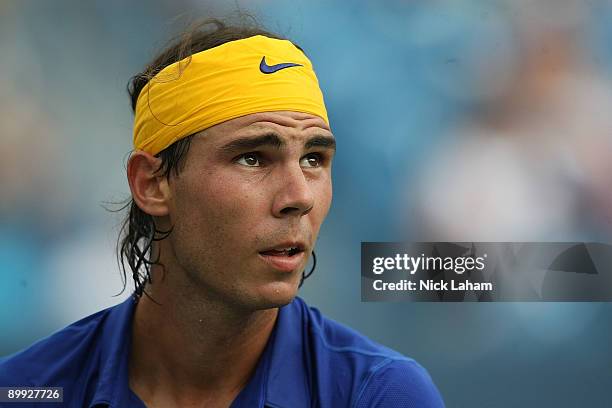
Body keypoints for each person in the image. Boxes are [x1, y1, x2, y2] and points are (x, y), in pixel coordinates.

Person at [0, 19, 445, 407]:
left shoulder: (380, 394)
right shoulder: (25, 389)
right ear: (152, 184)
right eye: (253, 157)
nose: (299, 196)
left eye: (313, 158)